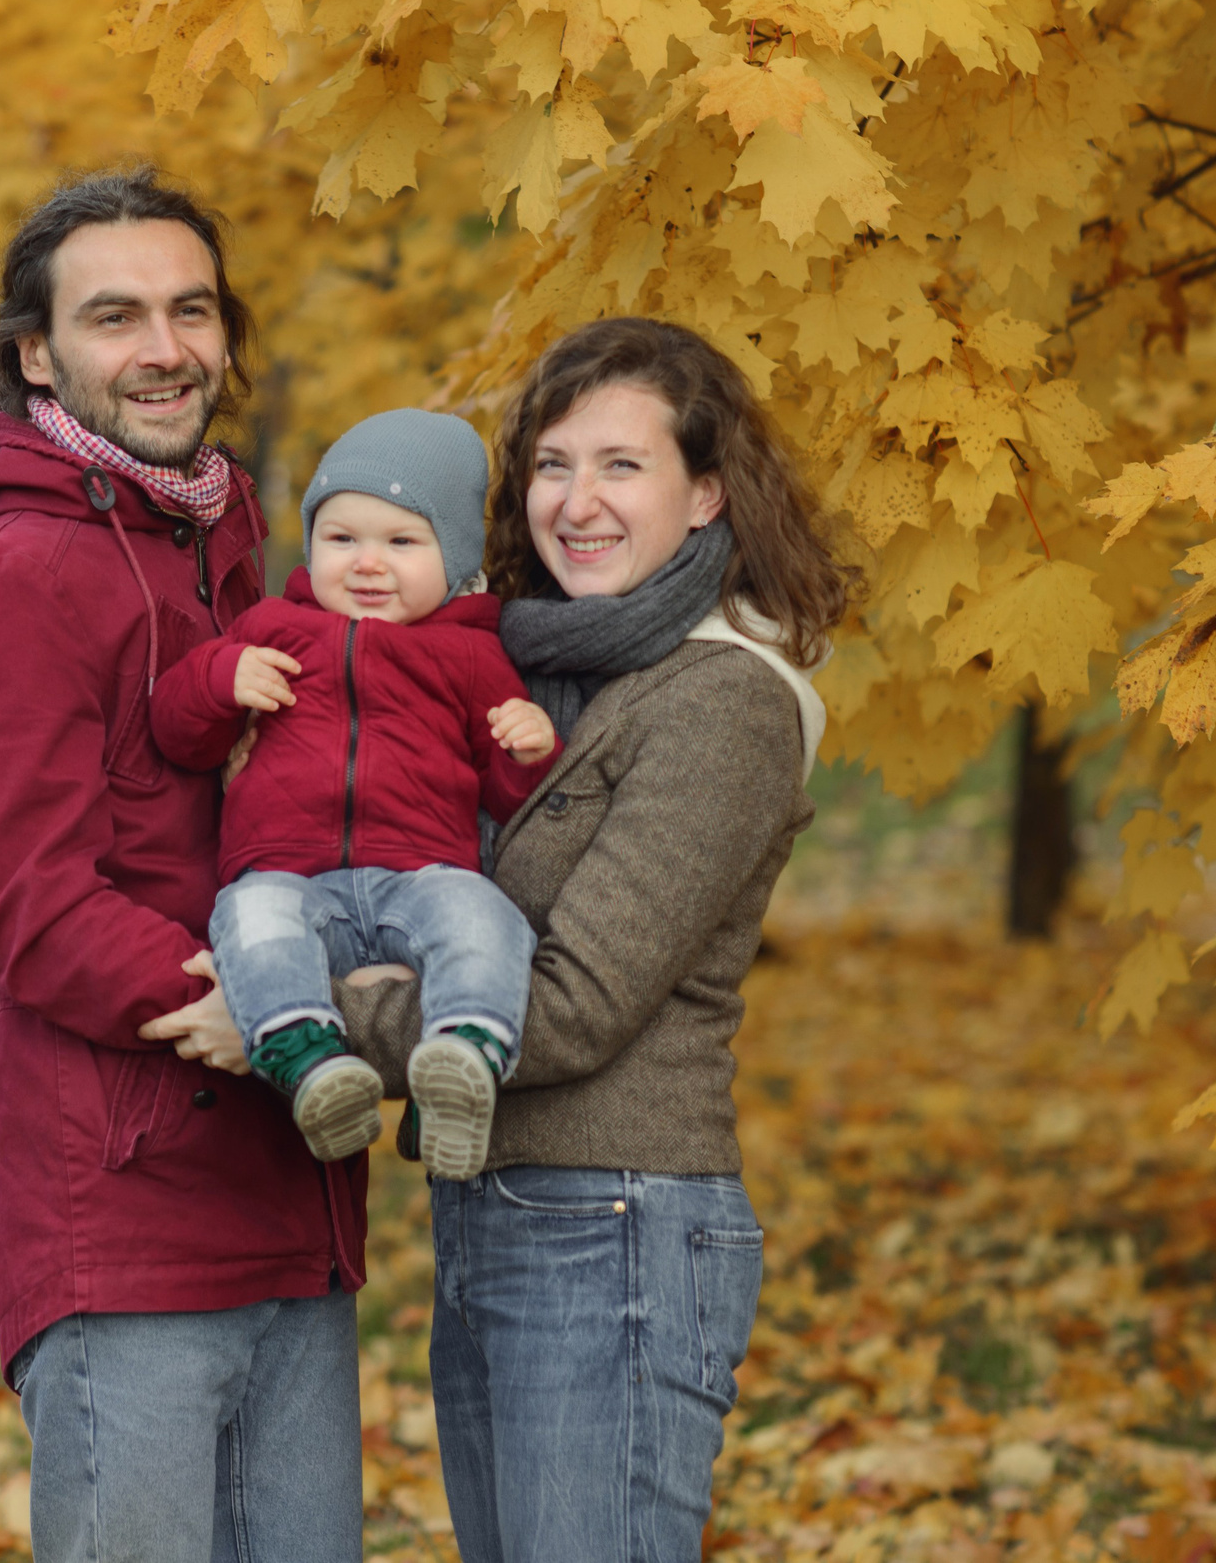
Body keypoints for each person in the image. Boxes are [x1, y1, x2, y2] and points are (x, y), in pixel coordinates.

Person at [0, 166, 367, 1563]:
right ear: (39, 352)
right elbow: (26, 910)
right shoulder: (21, 573)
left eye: (190, 309)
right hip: (127, 1207)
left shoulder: (222, 540)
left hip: (294, 1194)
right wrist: (257, 1004)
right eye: (115, 316)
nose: (164, 348)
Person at [331, 316, 857, 1561]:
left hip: (618, 1225)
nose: (577, 501)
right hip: (503, 1210)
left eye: (622, 466)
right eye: (552, 464)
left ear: (709, 492)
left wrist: (314, 1012)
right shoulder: (547, 680)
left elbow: (567, 1002)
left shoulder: (723, 697)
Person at [150, 409, 561, 1180]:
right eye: (342, 539)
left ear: (456, 557)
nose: (368, 562)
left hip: (421, 877)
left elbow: (510, 800)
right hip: (289, 874)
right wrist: (217, 681)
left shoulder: (472, 655)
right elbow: (179, 734)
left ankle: (465, 1054)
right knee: (250, 916)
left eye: (402, 542)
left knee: (485, 917)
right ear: (311, 546)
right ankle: (312, 1064)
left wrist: (528, 747)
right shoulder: (274, 628)